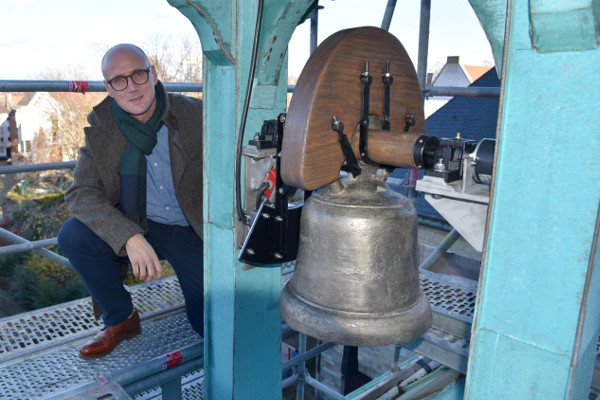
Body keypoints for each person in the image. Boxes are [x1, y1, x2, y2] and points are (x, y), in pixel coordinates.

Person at [57, 43, 204, 358]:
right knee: (73, 235)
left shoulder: (195, 115)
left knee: (208, 322)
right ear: (109, 89)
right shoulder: (102, 127)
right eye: (119, 80)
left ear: (153, 74)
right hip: (140, 223)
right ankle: (121, 319)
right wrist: (128, 235)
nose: (132, 87)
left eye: (138, 74)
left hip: (192, 228)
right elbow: (81, 192)